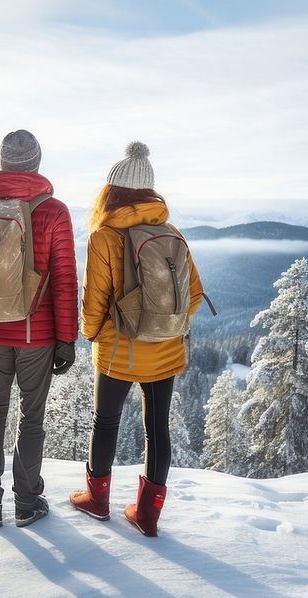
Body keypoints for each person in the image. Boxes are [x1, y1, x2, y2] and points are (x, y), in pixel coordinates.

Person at [70, 141, 206, 537]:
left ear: (111, 191)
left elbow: (94, 298)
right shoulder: (171, 232)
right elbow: (194, 293)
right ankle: (147, 515)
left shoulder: (104, 235)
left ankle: (97, 500)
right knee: (157, 427)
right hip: (165, 349)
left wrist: (93, 334)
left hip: (119, 348)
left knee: (105, 422)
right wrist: (166, 325)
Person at [0, 129, 78, 528]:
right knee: (32, 418)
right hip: (36, 336)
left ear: (2, 162)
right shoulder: (53, 211)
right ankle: (27, 502)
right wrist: (66, 340)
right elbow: (63, 280)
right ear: (37, 164)